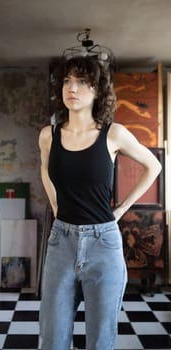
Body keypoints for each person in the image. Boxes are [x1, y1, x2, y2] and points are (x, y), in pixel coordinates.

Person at [38, 55, 162, 350]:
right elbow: (44, 170)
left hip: (103, 243)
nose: (72, 88)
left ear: (97, 90)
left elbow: (153, 167)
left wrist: (120, 209)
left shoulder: (113, 133)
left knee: (100, 340)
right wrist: (56, 206)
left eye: (82, 82)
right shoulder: (48, 135)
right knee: (53, 338)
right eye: (67, 81)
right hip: (61, 242)